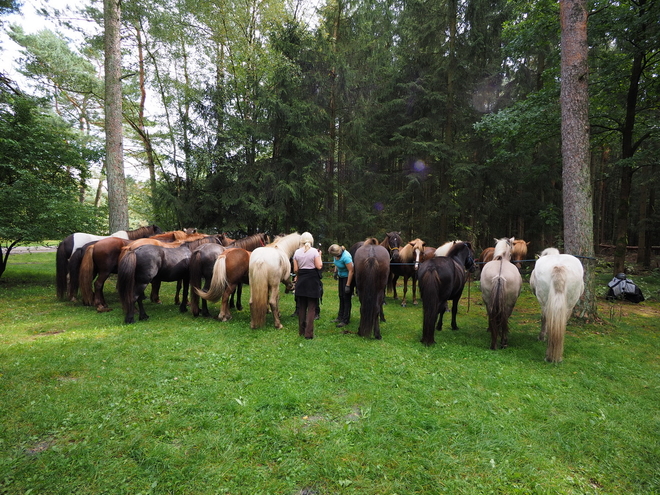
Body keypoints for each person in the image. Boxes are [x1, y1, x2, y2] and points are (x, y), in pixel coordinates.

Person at [292, 232, 323, 339]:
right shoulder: (315, 252)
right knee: (311, 308)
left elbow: (296, 269)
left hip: (301, 281)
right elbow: (319, 266)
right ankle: (308, 333)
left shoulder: (296, 252)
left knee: (302, 307)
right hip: (312, 281)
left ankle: (301, 330)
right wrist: (320, 256)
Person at [328, 244, 354, 328]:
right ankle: (340, 316)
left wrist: (348, 285)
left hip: (348, 277)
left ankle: (345, 319)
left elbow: (351, 271)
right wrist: (336, 272)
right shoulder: (336, 255)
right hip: (341, 276)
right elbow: (336, 263)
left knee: (346, 298)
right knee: (341, 296)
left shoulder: (346, 257)